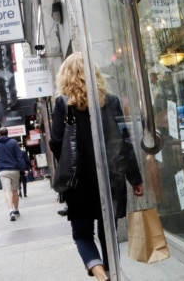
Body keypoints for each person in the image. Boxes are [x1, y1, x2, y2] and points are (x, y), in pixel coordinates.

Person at [49, 52, 144, 281]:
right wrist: (135, 178)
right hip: (110, 178)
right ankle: (112, 273)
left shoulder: (65, 105)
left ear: (66, 76)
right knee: (107, 233)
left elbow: (57, 142)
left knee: (82, 235)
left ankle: (101, 275)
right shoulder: (109, 101)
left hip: (79, 182)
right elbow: (122, 143)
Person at [0, 127, 24, 221]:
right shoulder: (14, 143)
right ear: (7, 133)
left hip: (3, 171)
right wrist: (22, 168)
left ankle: (10, 210)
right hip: (14, 170)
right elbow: (19, 156)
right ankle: (16, 209)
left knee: (7, 191)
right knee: (14, 191)